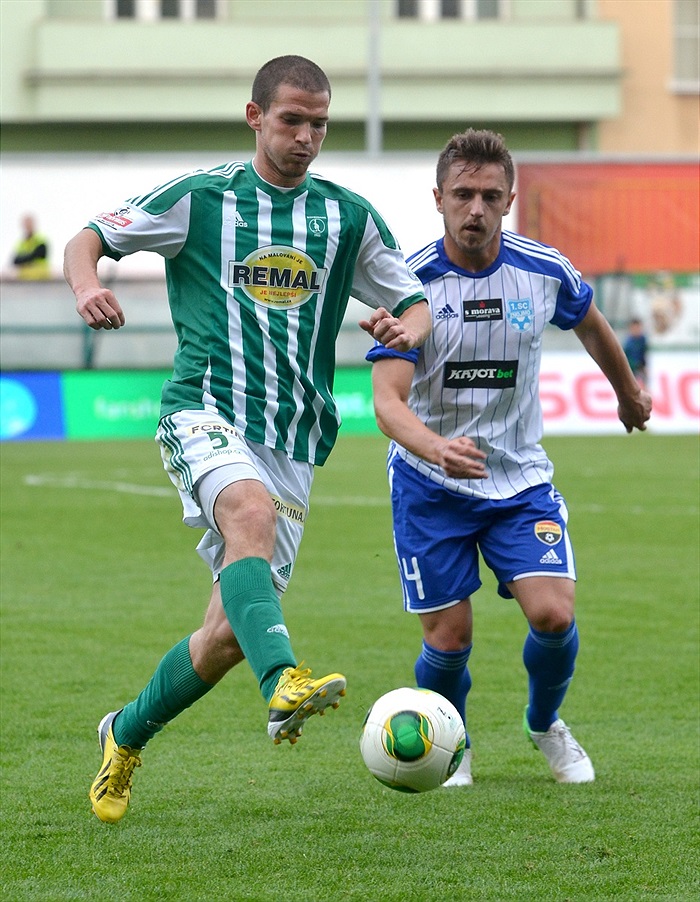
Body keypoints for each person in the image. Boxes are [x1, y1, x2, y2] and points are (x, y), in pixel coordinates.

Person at [64, 55, 430, 824]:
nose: (306, 137)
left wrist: (404, 328)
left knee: (227, 635)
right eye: (292, 120)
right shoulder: (203, 199)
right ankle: (284, 683)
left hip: (294, 437)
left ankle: (123, 735)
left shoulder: (347, 216)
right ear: (255, 116)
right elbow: (88, 237)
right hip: (204, 407)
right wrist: (89, 283)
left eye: (319, 123)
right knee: (249, 518)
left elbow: (413, 300)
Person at [363, 129, 652, 787]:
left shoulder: (542, 269)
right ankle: (451, 743)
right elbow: (387, 402)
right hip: (429, 484)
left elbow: (590, 320)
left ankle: (545, 723)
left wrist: (627, 391)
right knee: (449, 637)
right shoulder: (410, 288)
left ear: (510, 199)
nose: (476, 209)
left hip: (519, 479)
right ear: (438, 198)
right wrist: (436, 449)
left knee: (554, 614)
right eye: (462, 194)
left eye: (491, 196)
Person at [12, 214, 50, 279]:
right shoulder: (21, 243)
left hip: (41, 278)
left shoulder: (41, 240)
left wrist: (24, 258)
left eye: (29, 224)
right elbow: (15, 260)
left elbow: (39, 254)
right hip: (25, 278)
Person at [623, 318, 649, 388]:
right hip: (631, 368)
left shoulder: (643, 340)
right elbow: (626, 357)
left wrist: (644, 366)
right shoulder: (628, 343)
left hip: (641, 367)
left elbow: (644, 354)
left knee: (644, 383)